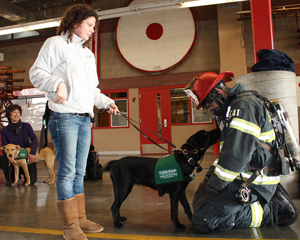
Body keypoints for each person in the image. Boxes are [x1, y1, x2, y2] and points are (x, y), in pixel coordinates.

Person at [29, 4, 119, 240]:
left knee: (79, 172)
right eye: (89, 25)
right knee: (67, 171)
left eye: (94, 26)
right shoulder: (55, 44)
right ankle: (69, 227)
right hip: (63, 116)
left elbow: (92, 90)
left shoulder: (88, 54)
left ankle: (80, 219)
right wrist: (57, 83)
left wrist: (106, 102)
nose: (92, 30)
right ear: (75, 21)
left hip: (84, 118)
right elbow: (37, 73)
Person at [184, 71, 298, 233]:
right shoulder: (231, 112)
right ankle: (265, 201)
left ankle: (271, 212)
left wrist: (213, 187)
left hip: (254, 183)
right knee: (201, 208)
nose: (211, 110)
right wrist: (209, 179)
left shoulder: (244, 108)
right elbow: (225, 156)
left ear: (219, 93)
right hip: (244, 178)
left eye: (209, 105)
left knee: (204, 220)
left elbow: (235, 158)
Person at [1, 104, 38, 186]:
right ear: (9, 115)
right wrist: (9, 157)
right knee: (12, 179)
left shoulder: (26, 126)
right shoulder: (5, 130)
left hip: (26, 156)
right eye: (14, 112)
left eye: (18, 112)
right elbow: (4, 147)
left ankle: (24, 173)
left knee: (32, 181)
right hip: (14, 158)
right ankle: (9, 176)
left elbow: (34, 139)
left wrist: (32, 152)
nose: (17, 114)